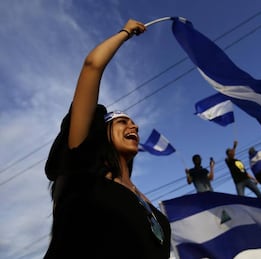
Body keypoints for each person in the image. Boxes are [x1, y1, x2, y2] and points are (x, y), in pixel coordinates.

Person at [43, 19, 171, 258]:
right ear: (101, 134)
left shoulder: (143, 200)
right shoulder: (82, 170)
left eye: (133, 122)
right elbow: (92, 66)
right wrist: (125, 32)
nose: (134, 125)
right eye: (122, 122)